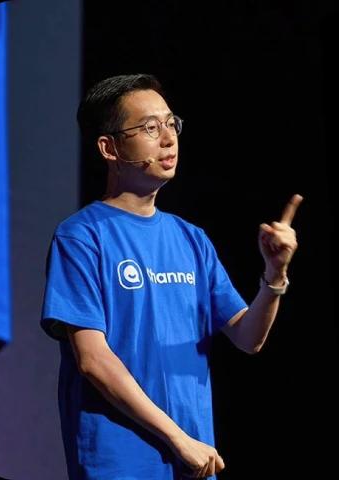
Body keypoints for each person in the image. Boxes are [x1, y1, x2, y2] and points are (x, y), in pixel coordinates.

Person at [40, 73, 301, 479]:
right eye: (149, 128)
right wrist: (177, 438)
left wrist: (275, 274)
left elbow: (248, 337)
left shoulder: (191, 239)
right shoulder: (81, 236)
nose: (168, 139)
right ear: (109, 147)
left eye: (170, 124)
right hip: (122, 462)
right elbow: (92, 360)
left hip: (195, 460)